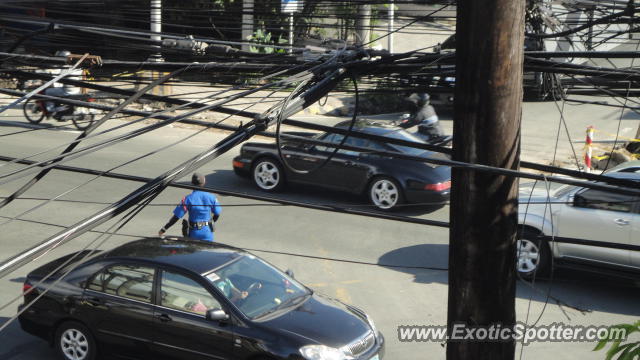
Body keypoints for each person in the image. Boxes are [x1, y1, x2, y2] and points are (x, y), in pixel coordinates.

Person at [158, 173, 221, 241]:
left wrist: (164, 229)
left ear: (192, 183)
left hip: (194, 233)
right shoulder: (211, 197)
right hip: (207, 232)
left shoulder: (188, 199)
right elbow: (217, 213)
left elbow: (176, 217)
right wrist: (211, 223)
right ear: (204, 182)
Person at [44, 50, 82, 115]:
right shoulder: (78, 67)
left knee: (48, 91)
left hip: (67, 91)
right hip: (77, 90)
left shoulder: (64, 67)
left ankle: (51, 109)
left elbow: (56, 75)